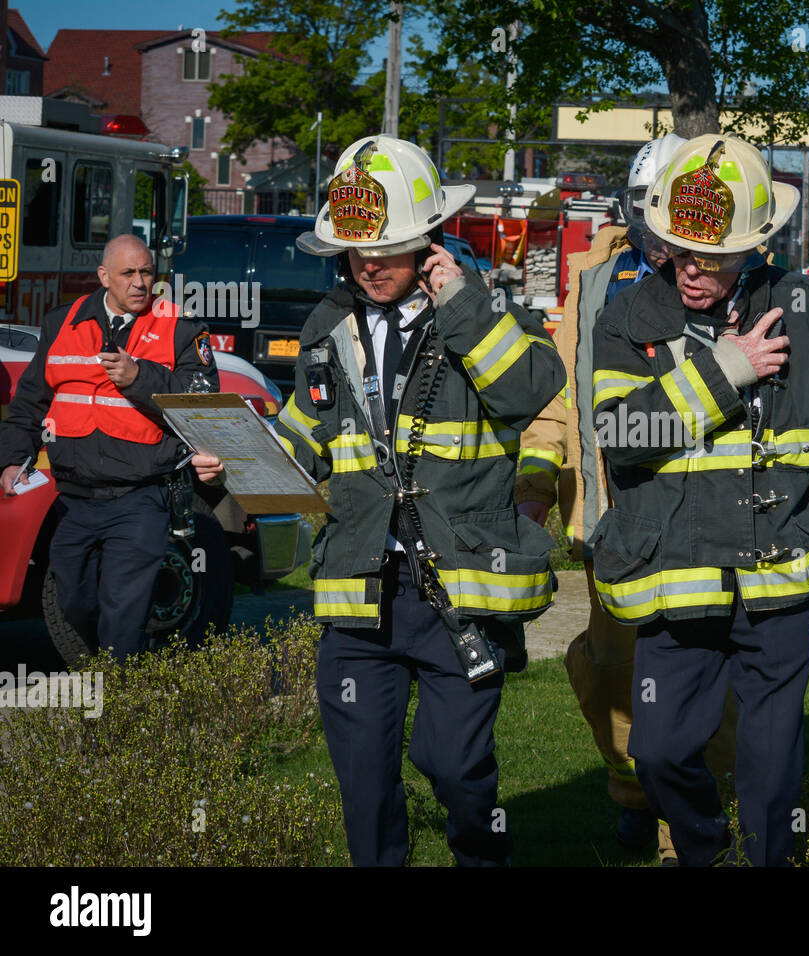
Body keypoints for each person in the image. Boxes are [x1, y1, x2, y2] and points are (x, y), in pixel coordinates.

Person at [197, 135, 565, 866]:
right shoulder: (325, 328)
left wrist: (458, 302)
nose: (370, 264)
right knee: (363, 788)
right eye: (357, 250)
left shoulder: (482, 313)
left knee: (456, 771)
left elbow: (529, 390)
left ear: (428, 239)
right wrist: (235, 466)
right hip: (360, 592)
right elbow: (308, 438)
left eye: (390, 247)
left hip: (459, 591)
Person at [590, 134, 809, 866]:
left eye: (714, 256)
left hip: (785, 577)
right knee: (661, 750)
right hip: (677, 574)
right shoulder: (628, 318)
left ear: (755, 246)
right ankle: (705, 850)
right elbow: (621, 433)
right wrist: (727, 369)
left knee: (770, 772)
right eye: (677, 249)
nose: (691, 271)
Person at [515, 133, 739, 864]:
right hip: (612, 515)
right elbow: (562, 392)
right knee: (610, 673)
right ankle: (636, 795)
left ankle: (689, 829)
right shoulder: (598, 281)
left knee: (698, 684)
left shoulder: (730, 280)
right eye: (649, 217)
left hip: (704, 519)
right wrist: (536, 485)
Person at [0, 234, 218, 661]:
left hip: (140, 497)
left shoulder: (181, 326)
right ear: (103, 277)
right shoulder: (64, 322)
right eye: (128, 274)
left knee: (123, 613)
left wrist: (140, 376)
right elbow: (28, 402)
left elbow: (204, 400)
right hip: (75, 499)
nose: (140, 283)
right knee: (72, 600)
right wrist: (12, 462)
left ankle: (118, 705)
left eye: (147, 273)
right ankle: (117, 673)